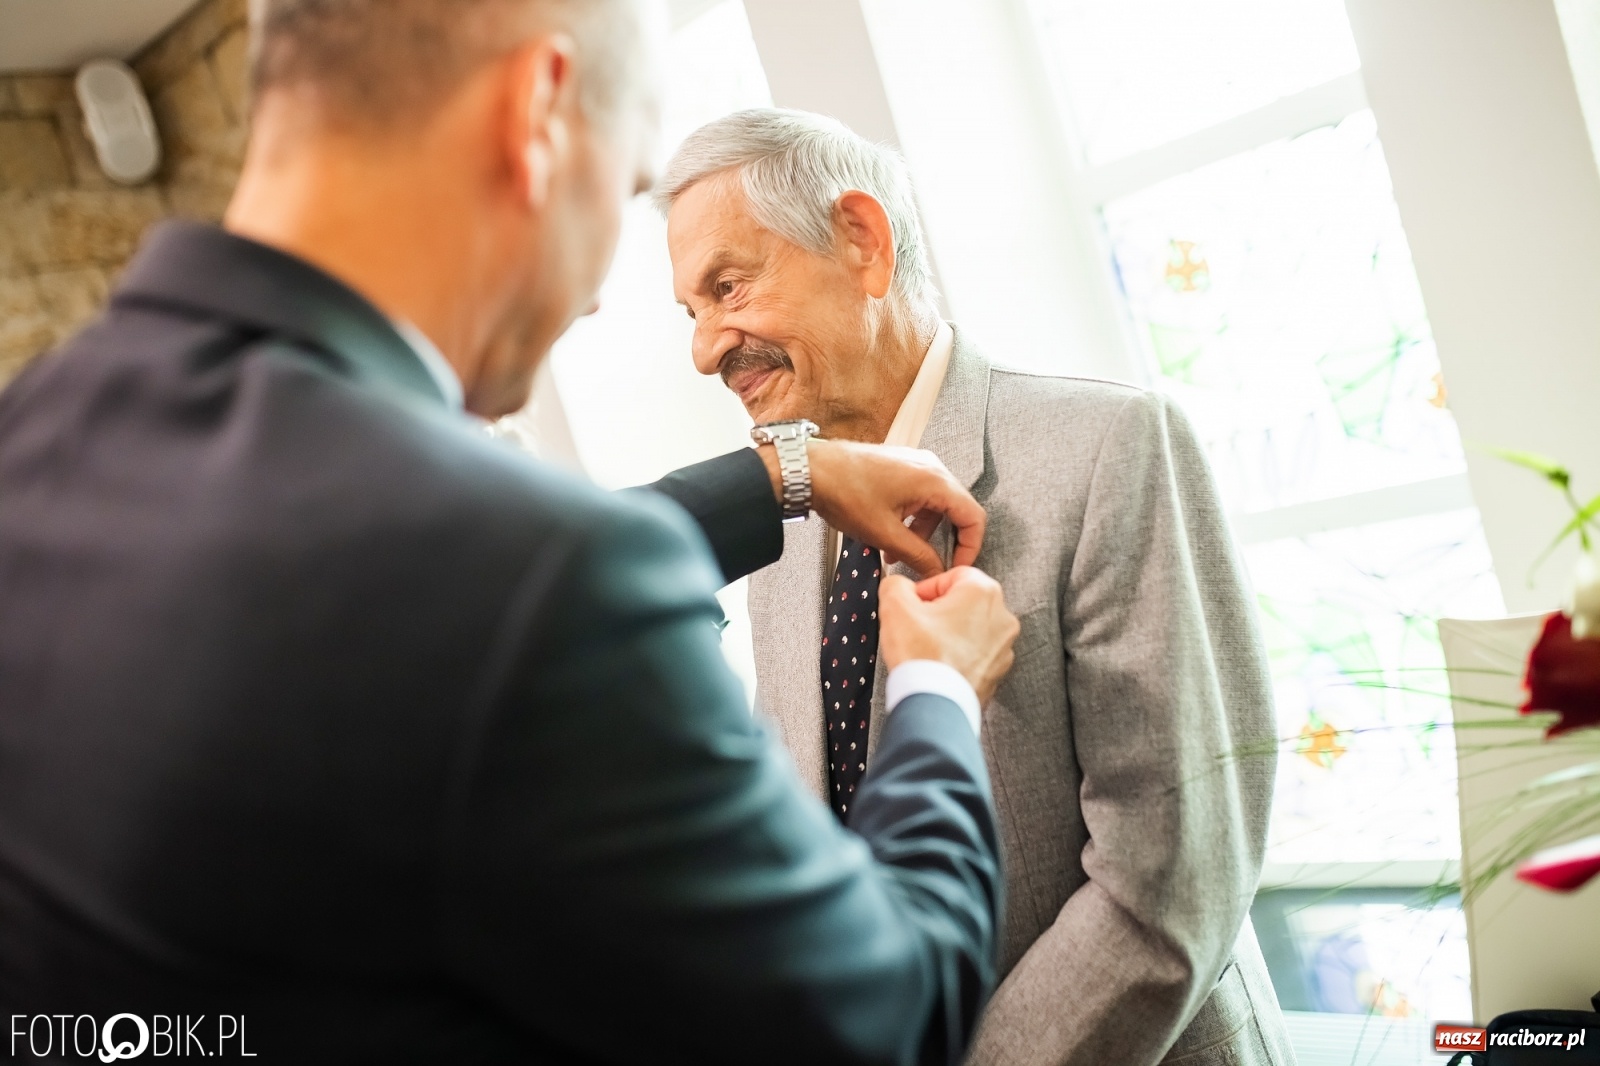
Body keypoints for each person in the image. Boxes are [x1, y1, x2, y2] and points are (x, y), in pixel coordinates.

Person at [0, 3, 1021, 1062]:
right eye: (623, 189)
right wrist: (935, 690)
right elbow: (881, 1019)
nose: (588, 303)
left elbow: (409, 613)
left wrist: (787, 475)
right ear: (534, 114)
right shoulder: (526, 578)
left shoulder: (37, 434)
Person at [658, 108, 1296, 1066]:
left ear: (862, 242)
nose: (707, 349)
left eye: (728, 287)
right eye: (693, 313)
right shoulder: (779, 524)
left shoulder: (1108, 451)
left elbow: (1171, 886)